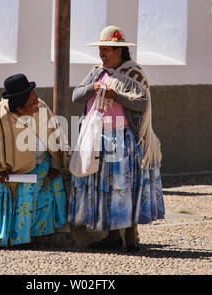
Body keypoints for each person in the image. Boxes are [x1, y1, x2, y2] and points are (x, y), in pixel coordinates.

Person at [68, 25, 165, 253]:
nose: (102, 54)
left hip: (122, 139)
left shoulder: (134, 73)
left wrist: (116, 96)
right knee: (106, 187)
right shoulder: (96, 71)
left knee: (125, 187)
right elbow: (76, 96)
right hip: (97, 138)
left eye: (106, 49)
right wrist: (93, 87)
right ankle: (112, 235)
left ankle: (131, 237)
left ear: (119, 50)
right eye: (100, 49)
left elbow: (142, 102)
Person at [0, 73, 68, 249]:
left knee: (45, 178)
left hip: (36, 161)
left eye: (35, 96)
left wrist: (56, 163)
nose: (37, 102)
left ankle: (36, 234)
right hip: (4, 167)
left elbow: (55, 134)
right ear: (20, 109)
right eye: (32, 102)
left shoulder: (41, 108)